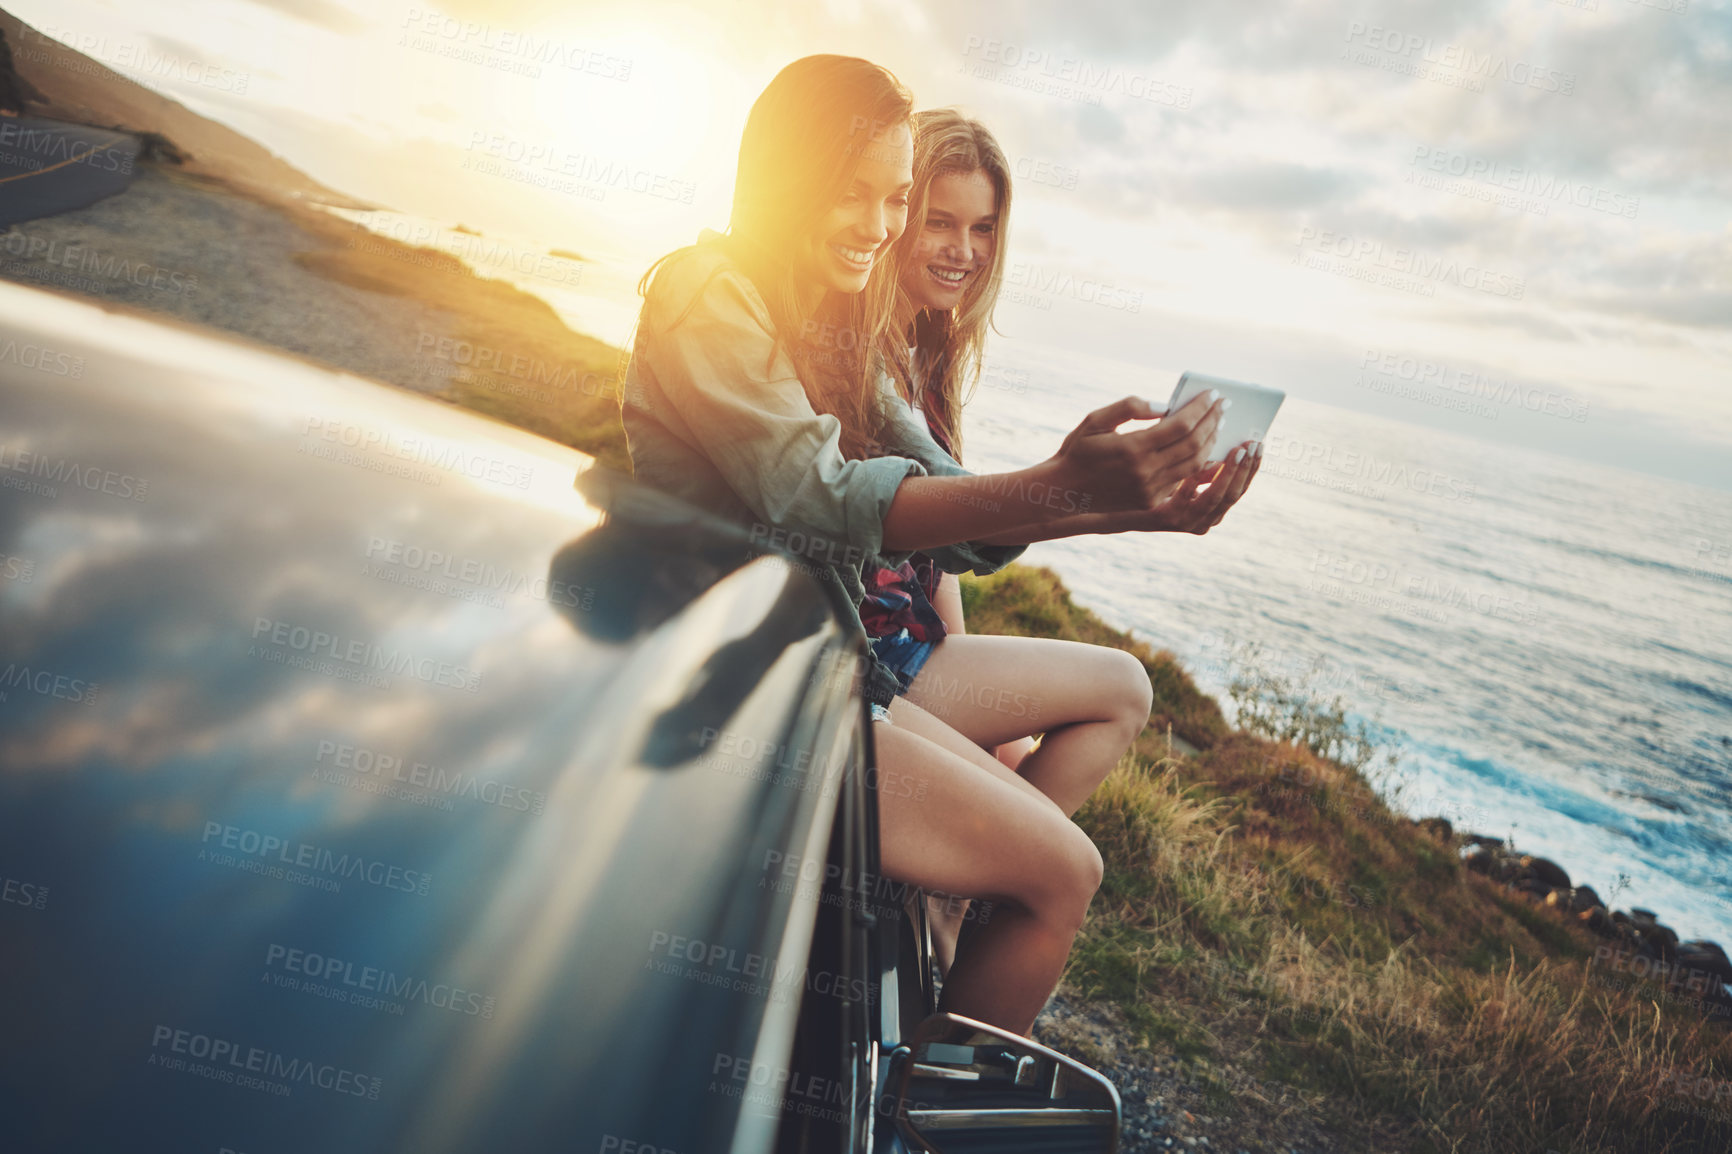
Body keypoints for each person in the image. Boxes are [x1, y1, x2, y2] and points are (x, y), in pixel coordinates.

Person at [621, 55, 1255, 1037]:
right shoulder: (707, 292)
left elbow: (950, 503)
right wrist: (1075, 480)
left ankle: (927, 967)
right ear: (789, 179)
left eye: (891, 199)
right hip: (745, 694)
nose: (881, 226)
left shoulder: (829, 325)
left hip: (818, 670)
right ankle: (925, 1099)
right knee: (1064, 870)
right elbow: (823, 493)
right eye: (857, 196)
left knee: (1056, 832)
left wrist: (1137, 508)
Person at [862, 109, 1265, 976]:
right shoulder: (863, 358)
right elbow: (950, 519)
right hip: (870, 652)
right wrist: (1102, 493)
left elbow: (941, 555)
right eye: (939, 219)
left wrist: (971, 697)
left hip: (914, 647)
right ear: (896, 215)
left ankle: (957, 884)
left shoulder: (928, 357)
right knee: (1121, 685)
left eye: (982, 228)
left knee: (1117, 693)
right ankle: (963, 890)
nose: (962, 250)